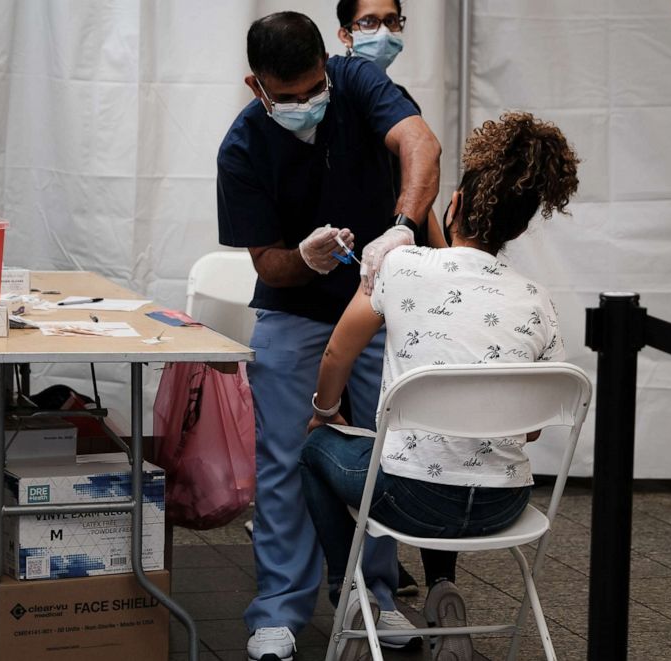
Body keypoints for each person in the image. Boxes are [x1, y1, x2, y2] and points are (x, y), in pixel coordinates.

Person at [299, 111, 579, 661]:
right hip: (506, 506)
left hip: (410, 501)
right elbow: (528, 433)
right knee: (456, 451)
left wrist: (325, 411)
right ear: (519, 228)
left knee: (314, 450)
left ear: (452, 205)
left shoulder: (402, 265)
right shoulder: (538, 300)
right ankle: (445, 599)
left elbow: (337, 352)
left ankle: (350, 596)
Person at [215, 11, 440, 661]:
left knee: (373, 454)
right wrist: (304, 259)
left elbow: (421, 143)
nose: (304, 105)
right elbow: (266, 262)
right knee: (285, 458)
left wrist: (404, 224)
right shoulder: (243, 147)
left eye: (314, 89)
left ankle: (372, 595)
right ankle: (280, 609)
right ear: (255, 85)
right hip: (293, 310)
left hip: (372, 303)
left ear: (328, 66)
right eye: (285, 98)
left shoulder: (359, 82)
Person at [335, 0, 434, 598]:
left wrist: (439, 250)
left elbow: (422, 164)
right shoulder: (337, 83)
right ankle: (332, 561)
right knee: (318, 434)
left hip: (377, 285)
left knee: (381, 439)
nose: (384, 31)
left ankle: (374, 571)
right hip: (325, 284)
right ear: (344, 33)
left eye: (393, 20)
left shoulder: (399, 108)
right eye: (369, 21)